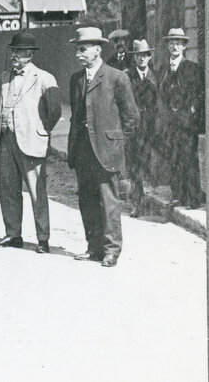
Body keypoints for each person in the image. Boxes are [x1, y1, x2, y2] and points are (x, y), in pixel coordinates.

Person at [67, 27, 139, 267]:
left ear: (97, 50)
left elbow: (131, 117)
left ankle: (111, 250)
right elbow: (76, 117)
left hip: (106, 151)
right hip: (83, 151)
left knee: (109, 201)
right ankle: (93, 247)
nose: (79, 53)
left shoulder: (117, 77)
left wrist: (116, 141)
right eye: (77, 48)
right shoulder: (76, 80)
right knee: (86, 200)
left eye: (83, 48)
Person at [0, 31, 61, 253]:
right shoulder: (3, 77)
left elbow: (55, 111)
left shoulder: (45, 79)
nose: (14, 55)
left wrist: (40, 130)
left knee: (37, 191)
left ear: (29, 55)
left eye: (18, 52)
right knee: (8, 189)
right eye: (13, 51)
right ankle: (13, 234)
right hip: (6, 140)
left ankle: (42, 238)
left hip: (31, 141)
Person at [154, 28, 206, 209]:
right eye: (171, 42)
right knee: (173, 158)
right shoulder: (162, 70)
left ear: (184, 46)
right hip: (169, 123)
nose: (175, 46)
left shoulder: (193, 68)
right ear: (167, 45)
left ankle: (193, 197)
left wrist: (191, 113)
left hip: (186, 123)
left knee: (189, 159)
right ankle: (178, 195)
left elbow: (199, 96)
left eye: (178, 43)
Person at [124, 39, 157, 216]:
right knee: (134, 166)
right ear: (134, 58)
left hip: (152, 128)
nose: (142, 59)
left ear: (149, 57)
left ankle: (149, 199)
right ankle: (137, 203)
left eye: (145, 55)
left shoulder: (156, 76)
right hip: (133, 129)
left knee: (149, 164)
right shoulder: (127, 77)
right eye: (138, 56)